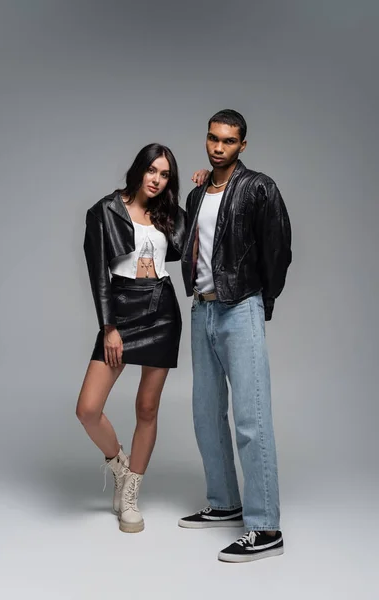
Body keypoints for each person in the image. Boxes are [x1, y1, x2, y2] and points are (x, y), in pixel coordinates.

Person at [76, 143, 208, 533]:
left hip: (162, 312)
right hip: (121, 310)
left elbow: (201, 235)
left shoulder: (170, 214)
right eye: (152, 170)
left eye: (165, 174)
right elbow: (98, 273)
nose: (157, 179)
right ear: (139, 169)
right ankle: (118, 465)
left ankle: (132, 491)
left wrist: (201, 188)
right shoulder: (105, 211)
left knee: (147, 408)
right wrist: (109, 327)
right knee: (87, 408)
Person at [179, 109, 292, 562]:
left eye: (228, 140)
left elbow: (279, 250)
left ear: (242, 145)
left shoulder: (260, 187)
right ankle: (225, 502)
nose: (218, 146)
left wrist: (260, 303)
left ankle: (265, 529)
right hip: (202, 311)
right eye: (212, 138)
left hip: (239, 307)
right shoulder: (196, 194)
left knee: (251, 417)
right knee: (206, 414)